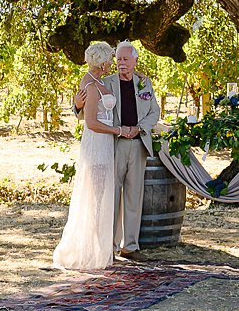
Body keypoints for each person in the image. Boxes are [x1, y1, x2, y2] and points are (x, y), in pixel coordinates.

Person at [51, 42, 120, 270]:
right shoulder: (90, 84)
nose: (112, 62)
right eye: (110, 58)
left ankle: (99, 247)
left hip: (106, 142)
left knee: (101, 197)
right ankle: (89, 250)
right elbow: (90, 121)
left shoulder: (99, 81)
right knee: (96, 198)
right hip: (98, 142)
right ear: (102, 61)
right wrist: (117, 131)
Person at [106, 41, 162, 262]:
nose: (121, 63)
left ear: (135, 60)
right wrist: (77, 105)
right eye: (118, 59)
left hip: (138, 144)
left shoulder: (144, 84)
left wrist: (139, 128)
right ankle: (108, 246)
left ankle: (129, 246)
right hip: (114, 144)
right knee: (111, 196)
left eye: (125, 59)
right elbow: (89, 107)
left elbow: (154, 112)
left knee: (134, 196)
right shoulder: (106, 83)